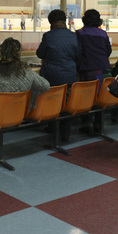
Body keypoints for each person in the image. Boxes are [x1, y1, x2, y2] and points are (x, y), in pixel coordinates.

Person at [0, 38, 50, 155]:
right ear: (18, 53)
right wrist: (31, 96)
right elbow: (45, 85)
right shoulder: (27, 72)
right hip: (19, 112)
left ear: (1, 52)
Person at [36, 9, 79, 140]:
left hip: (52, 75)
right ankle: (65, 133)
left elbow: (40, 54)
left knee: (52, 101)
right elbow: (77, 55)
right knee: (67, 103)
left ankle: (52, 129)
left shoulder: (48, 36)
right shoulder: (73, 36)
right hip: (70, 74)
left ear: (51, 22)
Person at [76, 9, 112, 133]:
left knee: (87, 97)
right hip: (104, 68)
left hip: (88, 69)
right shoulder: (103, 33)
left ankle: (86, 125)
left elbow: (78, 52)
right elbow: (108, 51)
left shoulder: (80, 33)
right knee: (101, 98)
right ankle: (98, 125)